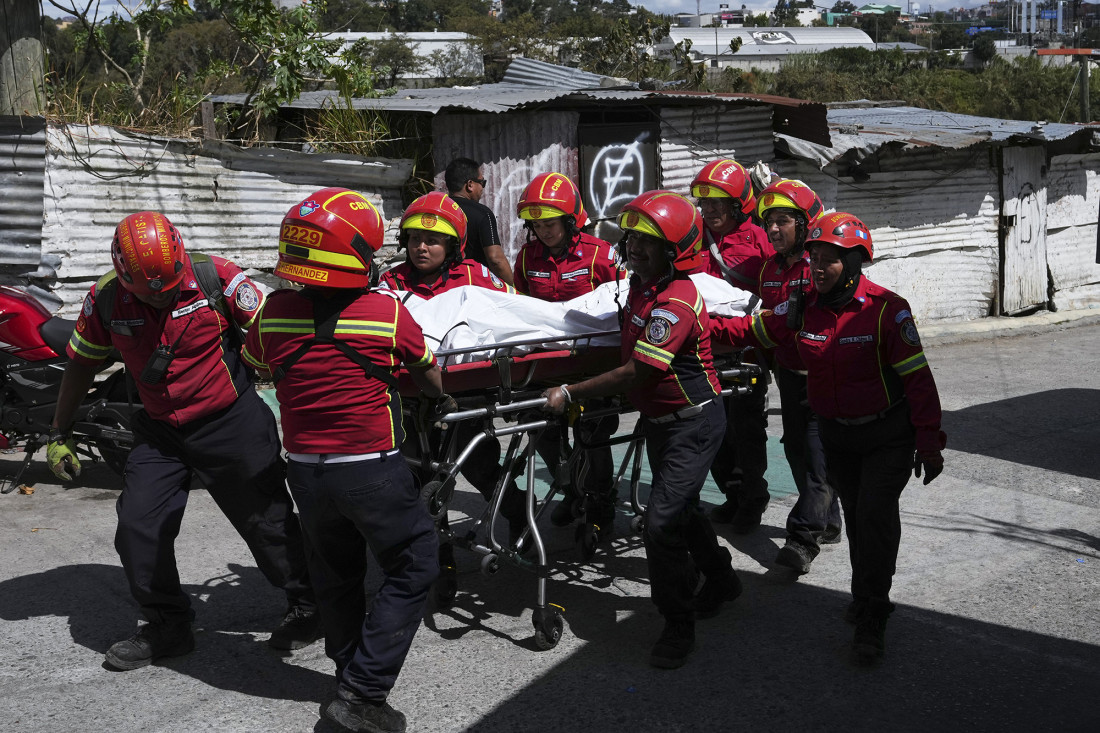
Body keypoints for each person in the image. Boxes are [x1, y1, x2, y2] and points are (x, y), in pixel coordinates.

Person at [46, 211, 318, 671]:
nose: (160, 296)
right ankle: (167, 626)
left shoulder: (220, 279)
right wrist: (59, 432)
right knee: (138, 526)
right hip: (159, 431)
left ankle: (309, 605)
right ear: (123, 275)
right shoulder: (105, 299)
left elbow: (280, 334)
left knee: (267, 522)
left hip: (231, 422)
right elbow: (80, 364)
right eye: (147, 291)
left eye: (169, 285)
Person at [242, 188, 441, 733]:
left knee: (336, 573)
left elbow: (257, 363)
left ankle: (346, 672)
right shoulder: (384, 312)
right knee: (415, 562)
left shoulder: (272, 313)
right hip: (370, 470)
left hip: (306, 471)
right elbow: (429, 375)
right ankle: (362, 692)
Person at [710, 212, 946, 665]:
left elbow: (918, 380)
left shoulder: (887, 310)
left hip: (886, 437)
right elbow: (751, 330)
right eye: (814, 257)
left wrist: (929, 440)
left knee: (874, 516)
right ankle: (865, 594)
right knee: (856, 518)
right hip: (837, 436)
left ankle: (874, 611)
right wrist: (696, 327)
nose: (817, 268)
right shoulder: (801, 306)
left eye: (829, 260)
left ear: (855, 263)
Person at [543, 190, 741, 669]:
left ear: (674, 251)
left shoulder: (677, 299)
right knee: (684, 512)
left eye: (648, 241)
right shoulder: (639, 287)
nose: (635, 247)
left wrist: (572, 391)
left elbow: (641, 371)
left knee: (660, 523)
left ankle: (677, 625)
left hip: (692, 423)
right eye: (632, 237)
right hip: (660, 423)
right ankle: (721, 579)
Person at [379, 191, 526, 607]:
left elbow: (513, 319)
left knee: (479, 469)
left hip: (464, 399)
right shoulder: (390, 282)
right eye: (414, 239)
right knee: (424, 483)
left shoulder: (477, 277)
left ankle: (515, 507)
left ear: (454, 246)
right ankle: (439, 566)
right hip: (411, 402)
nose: (421, 247)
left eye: (433, 240)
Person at [728, 179, 842, 574]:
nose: (773, 230)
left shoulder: (821, 267)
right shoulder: (769, 270)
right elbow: (767, 325)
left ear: (806, 224)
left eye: (782, 221)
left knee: (813, 455)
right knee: (795, 448)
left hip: (824, 378)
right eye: (768, 222)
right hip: (789, 376)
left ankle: (802, 539)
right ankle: (829, 520)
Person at [512, 172, 626, 534]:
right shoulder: (527, 257)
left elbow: (623, 301)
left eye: (551, 223)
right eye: (537, 224)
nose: (544, 231)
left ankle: (601, 502)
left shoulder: (601, 254)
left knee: (593, 433)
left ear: (570, 219)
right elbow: (519, 305)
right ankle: (571, 489)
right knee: (539, 425)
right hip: (547, 363)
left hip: (594, 363)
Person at [689, 159, 772, 533]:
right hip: (704, 352)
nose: (710, 212)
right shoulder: (690, 235)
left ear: (739, 205)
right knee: (713, 430)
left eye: (719, 204)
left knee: (746, 429)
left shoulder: (761, 239)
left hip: (749, 353)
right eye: (705, 204)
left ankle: (752, 499)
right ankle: (732, 495)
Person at [444, 157, 514, 286]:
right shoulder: (482, 213)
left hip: (443, 286)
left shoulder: (440, 210)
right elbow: (496, 259)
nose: (482, 188)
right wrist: (514, 290)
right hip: (475, 286)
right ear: (470, 185)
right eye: (482, 182)